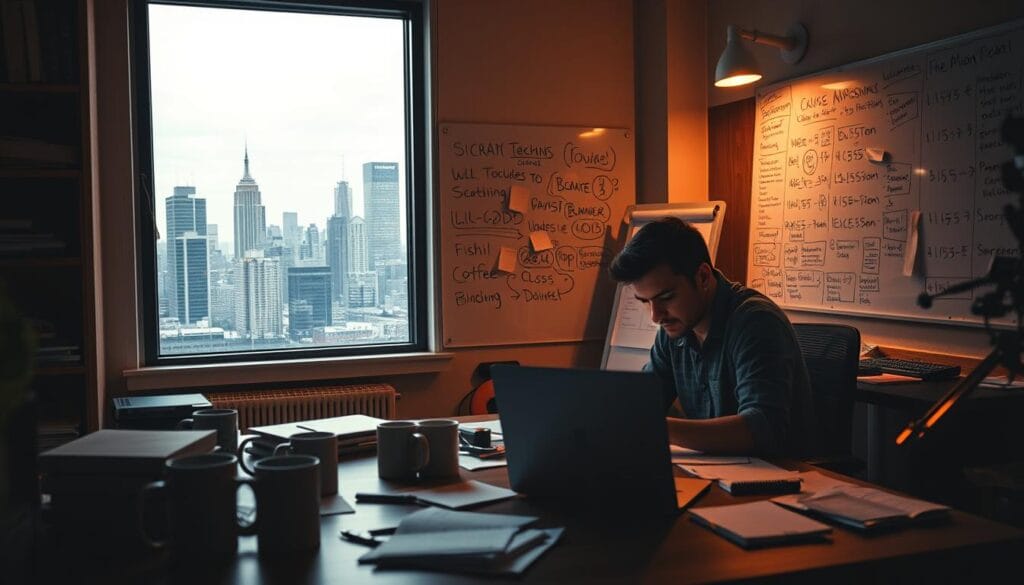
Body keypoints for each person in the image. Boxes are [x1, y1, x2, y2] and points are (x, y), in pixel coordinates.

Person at [608, 217, 816, 457]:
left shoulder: (756, 322)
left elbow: (762, 427)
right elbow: (644, 402)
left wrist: (657, 426)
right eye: (645, 302)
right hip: (717, 469)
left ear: (703, 277)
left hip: (781, 472)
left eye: (666, 297)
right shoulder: (674, 329)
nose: (655, 316)